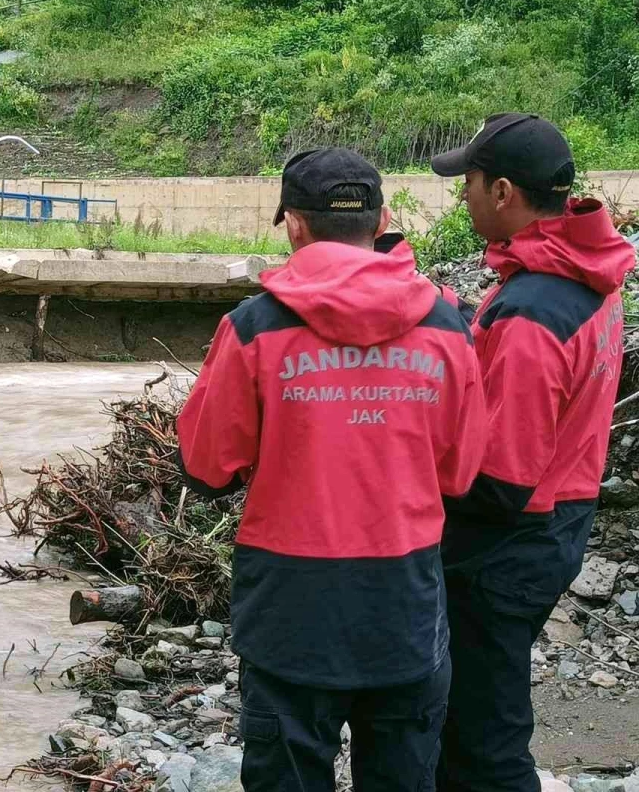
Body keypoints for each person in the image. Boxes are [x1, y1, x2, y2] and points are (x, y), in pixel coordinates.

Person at [178, 147, 488, 792]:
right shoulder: (447, 327)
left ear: (294, 225)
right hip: (404, 595)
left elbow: (207, 467)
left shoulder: (253, 328)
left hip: (292, 600)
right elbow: (461, 475)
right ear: (382, 221)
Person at [430, 115, 636, 792]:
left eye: (470, 183)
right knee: (479, 715)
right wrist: (465, 322)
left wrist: (411, 485)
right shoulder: (581, 274)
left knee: (483, 736)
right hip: (562, 516)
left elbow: (501, 479)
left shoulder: (532, 313)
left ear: (503, 192)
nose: (462, 196)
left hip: (507, 543)